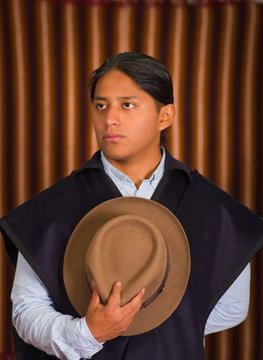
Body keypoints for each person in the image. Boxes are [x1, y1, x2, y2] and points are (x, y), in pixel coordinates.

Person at [1, 52, 263, 360]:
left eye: (127, 104)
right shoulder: (52, 208)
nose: (109, 118)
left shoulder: (213, 209)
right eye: (101, 105)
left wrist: (156, 327)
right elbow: (26, 311)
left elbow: (231, 308)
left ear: (165, 116)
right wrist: (89, 333)